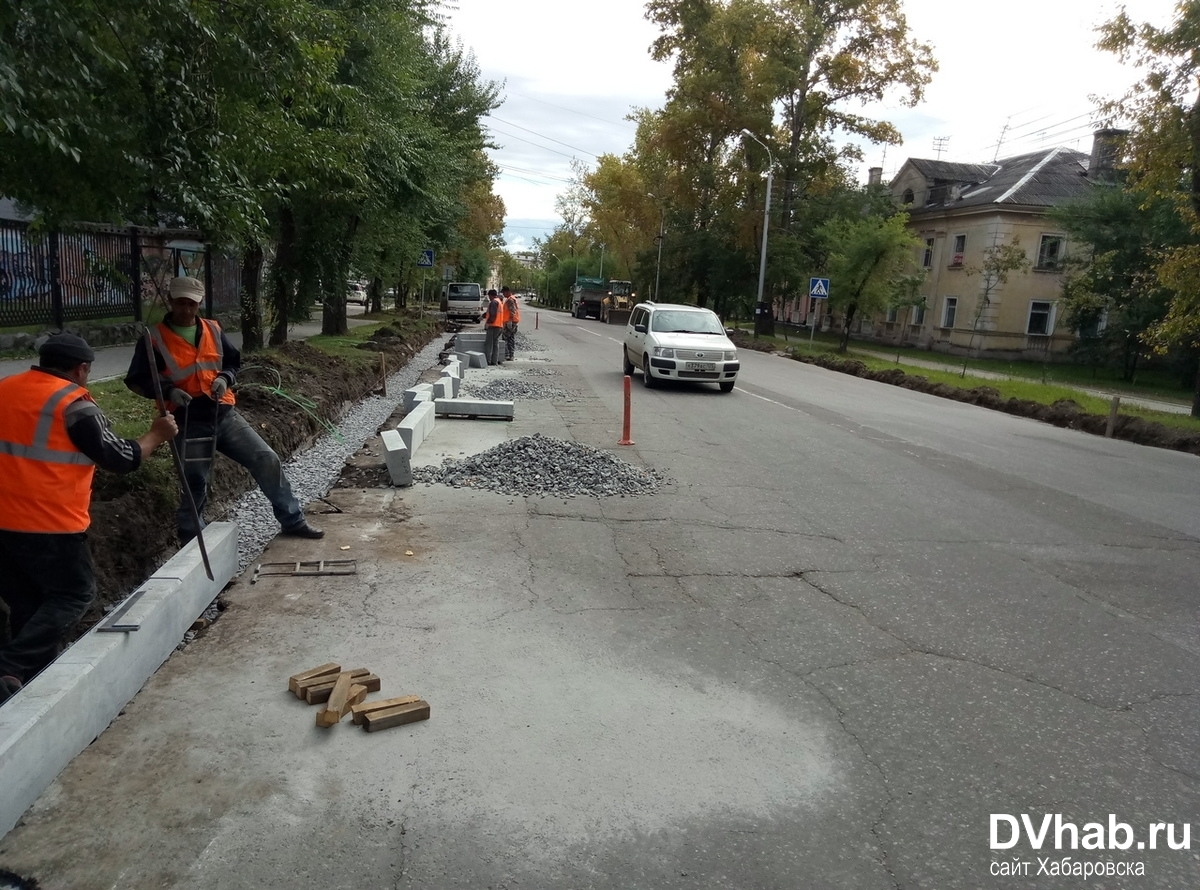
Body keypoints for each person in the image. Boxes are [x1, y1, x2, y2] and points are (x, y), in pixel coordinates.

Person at [0, 332, 179, 704]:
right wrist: (156, 435)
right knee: (74, 593)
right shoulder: (72, 403)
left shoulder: (6, 388)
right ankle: (11, 665)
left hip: (4, 521)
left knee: (28, 604)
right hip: (48, 523)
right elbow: (120, 459)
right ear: (82, 369)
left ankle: (23, 685)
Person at [124, 276, 324, 544]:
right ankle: (193, 543)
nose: (185, 309)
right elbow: (137, 380)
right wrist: (168, 390)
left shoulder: (213, 329)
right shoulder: (154, 339)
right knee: (195, 482)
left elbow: (232, 361)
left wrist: (225, 378)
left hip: (222, 414)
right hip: (186, 419)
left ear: (200, 303)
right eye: (180, 303)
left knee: (266, 459)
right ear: (170, 301)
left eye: (191, 304)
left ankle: (293, 520)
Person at [483, 288, 503, 366]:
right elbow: (491, 313)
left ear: (491, 295)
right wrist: (483, 316)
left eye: (489, 296)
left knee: (488, 344)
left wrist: (488, 323)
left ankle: (487, 361)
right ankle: (494, 361)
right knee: (495, 344)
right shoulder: (499, 302)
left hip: (493, 326)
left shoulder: (493, 302)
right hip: (499, 326)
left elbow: (493, 314)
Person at [502, 286, 520, 361]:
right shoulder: (512, 298)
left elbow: (512, 310)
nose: (503, 294)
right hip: (513, 322)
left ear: (507, 292)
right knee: (511, 338)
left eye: (503, 292)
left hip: (510, 322)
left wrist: (510, 320)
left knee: (505, 338)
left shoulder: (510, 300)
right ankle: (511, 355)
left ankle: (506, 355)